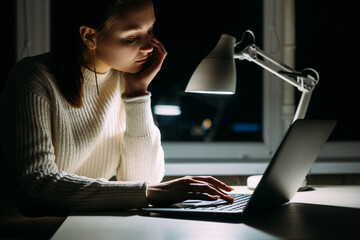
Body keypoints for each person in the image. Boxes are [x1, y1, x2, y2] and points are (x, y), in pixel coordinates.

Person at [0, 0, 234, 216]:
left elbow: (144, 178)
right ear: (89, 36)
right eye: (132, 37)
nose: (148, 47)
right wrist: (150, 192)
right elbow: (34, 187)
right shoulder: (33, 78)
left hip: (86, 223)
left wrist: (137, 94)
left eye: (150, 30)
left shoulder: (124, 80)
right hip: (29, 227)